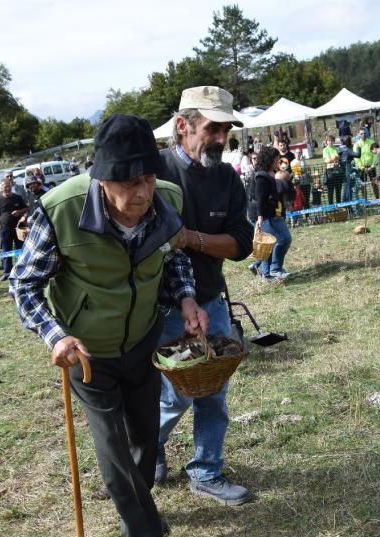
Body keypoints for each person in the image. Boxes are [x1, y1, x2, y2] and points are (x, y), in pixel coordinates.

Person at [9, 114, 207, 537]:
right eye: (127, 182)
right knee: (113, 446)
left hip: (142, 339)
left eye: (147, 179)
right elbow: (23, 286)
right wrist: (55, 336)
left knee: (143, 435)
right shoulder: (60, 210)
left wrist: (185, 298)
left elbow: (174, 256)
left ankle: (136, 511)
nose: (141, 193)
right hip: (86, 352)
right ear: (101, 178)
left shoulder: (167, 201)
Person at [154, 85, 254, 505]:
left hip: (210, 299)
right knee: (172, 396)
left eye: (226, 129)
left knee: (213, 392)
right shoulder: (154, 172)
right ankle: (145, 453)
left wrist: (191, 239)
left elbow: (241, 244)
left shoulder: (227, 178)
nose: (220, 139)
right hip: (156, 307)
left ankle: (206, 470)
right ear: (183, 126)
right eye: (212, 128)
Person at [250, 146, 292, 281]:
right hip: (264, 215)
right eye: (276, 159)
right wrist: (260, 219)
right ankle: (274, 269)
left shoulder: (269, 174)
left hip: (269, 213)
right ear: (269, 160)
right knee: (283, 239)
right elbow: (260, 198)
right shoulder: (262, 177)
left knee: (268, 244)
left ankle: (265, 273)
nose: (278, 161)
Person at [0, 177, 28, 281]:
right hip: (4, 229)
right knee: (6, 251)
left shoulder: (17, 197)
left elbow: (26, 208)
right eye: (4, 187)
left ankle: (22, 270)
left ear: (11, 186)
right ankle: (7, 272)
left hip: (18, 228)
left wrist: (19, 212)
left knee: (21, 250)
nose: (7, 188)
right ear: (1, 188)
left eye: (8, 186)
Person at [322, 134, 342, 205]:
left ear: (333, 141)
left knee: (338, 190)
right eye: (328, 141)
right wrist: (334, 158)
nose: (330, 142)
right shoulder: (325, 149)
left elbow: (338, 158)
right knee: (330, 191)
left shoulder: (336, 148)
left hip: (337, 171)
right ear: (326, 142)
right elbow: (327, 161)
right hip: (330, 172)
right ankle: (331, 208)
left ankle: (339, 206)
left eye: (331, 141)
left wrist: (334, 158)